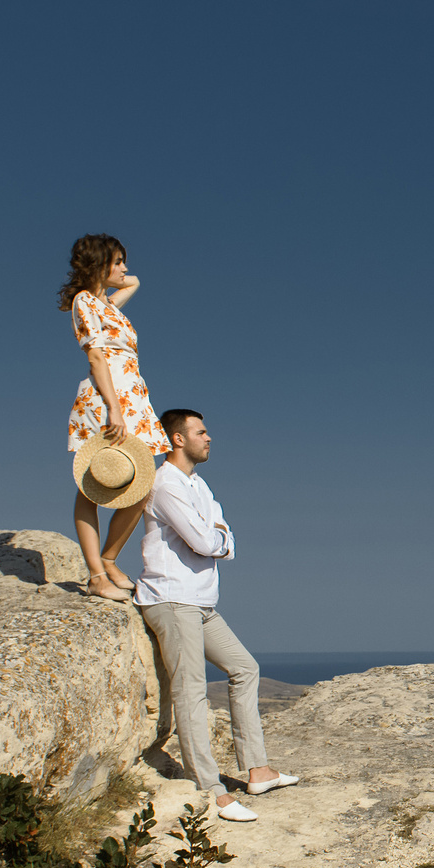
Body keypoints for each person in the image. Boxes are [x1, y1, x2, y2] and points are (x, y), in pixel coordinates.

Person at [137, 408, 299, 821]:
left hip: (202, 603)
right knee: (190, 690)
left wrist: (217, 538)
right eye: (201, 432)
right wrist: (217, 538)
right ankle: (210, 789)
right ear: (177, 438)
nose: (209, 439)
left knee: (245, 668)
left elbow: (223, 536)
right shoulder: (165, 484)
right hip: (173, 601)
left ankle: (258, 770)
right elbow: (202, 540)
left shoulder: (199, 484)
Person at [60, 233, 168, 603]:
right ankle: (95, 574)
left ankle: (108, 559)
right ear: (99, 264)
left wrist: (121, 280)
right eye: (118, 261)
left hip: (132, 398)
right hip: (108, 400)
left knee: (140, 484)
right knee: (92, 484)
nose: (125, 269)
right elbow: (95, 357)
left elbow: (134, 283)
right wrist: (114, 407)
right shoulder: (84, 302)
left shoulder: (106, 305)